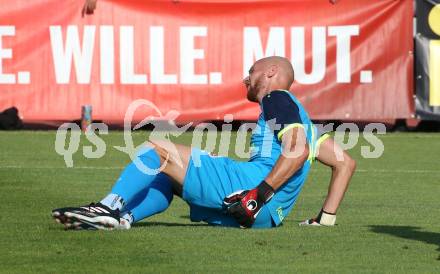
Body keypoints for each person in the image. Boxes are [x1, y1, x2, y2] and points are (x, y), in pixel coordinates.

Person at [52, 55, 356, 230]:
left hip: (252, 195)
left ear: (271, 72)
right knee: (168, 177)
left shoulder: (276, 98)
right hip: (268, 217)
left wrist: (257, 195)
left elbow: (297, 150)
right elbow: (345, 163)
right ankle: (124, 218)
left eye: (251, 72)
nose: (246, 80)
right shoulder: (303, 118)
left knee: (158, 149)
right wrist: (325, 220)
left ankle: (106, 208)